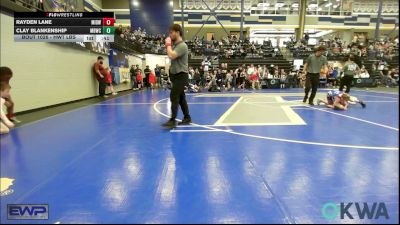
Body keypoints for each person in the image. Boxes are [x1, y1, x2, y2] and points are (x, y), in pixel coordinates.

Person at [162, 24, 192, 128]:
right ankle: (187, 117)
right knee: (181, 98)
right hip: (175, 75)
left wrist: (168, 44)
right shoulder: (175, 45)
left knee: (174, 96)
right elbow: (171, 55)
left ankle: (172, 120)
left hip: (181, 75)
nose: (169, 35)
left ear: (177, 32)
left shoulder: (182, 45)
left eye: (171, 32)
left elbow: (171, 55)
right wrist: (170, 45)